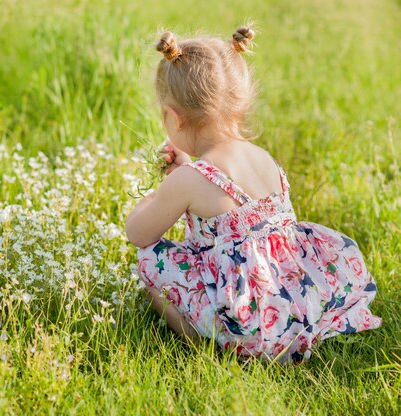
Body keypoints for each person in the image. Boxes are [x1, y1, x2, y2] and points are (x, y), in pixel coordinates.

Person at [125, 26, 382, 364]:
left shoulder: (187, 180)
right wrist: (186, 167)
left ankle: (205, 346)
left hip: (244, 322)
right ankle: (286, 337)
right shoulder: (263, 158)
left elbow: (139, 233)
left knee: (150, 261)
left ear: (173, 118)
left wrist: (151, 198)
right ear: (239, 104)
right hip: (294, 305)